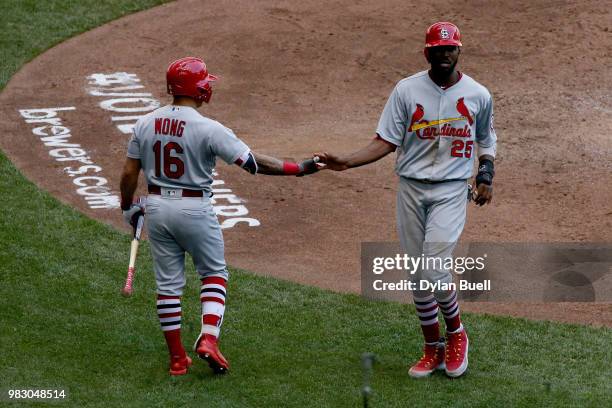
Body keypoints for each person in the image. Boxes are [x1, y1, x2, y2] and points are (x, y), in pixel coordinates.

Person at [315, 22, 497, 378]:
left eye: (451, 49)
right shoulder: (406, 90)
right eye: (438, 49)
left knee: (433, 269)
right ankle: (433, 347)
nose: (445, 55)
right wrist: (347, 161)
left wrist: (486, 175)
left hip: (450, 188)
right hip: (411, 188)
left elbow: (486, 139)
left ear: (459, 51)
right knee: (417, 276)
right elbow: (386, 140)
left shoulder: (478, 94)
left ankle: (457, 334)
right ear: (426, 52)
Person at [119, 57, 320, 376]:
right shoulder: (208, 128)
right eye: (205, 83)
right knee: (213, 273)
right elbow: (254, 163)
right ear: (197, 88)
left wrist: (128, 206)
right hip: (195, 209)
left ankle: (176, 360)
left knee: (168, 286)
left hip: (157, 208)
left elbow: (130, 171)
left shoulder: (145, 123)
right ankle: (209, 339)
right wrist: (299, 168)